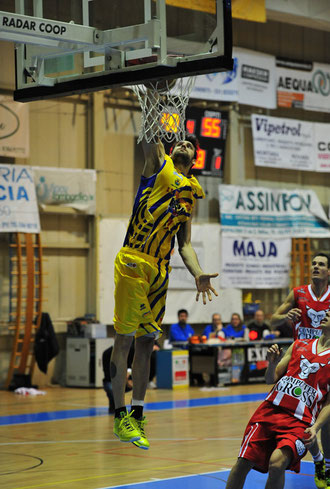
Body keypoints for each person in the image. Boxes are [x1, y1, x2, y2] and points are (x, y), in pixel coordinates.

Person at [110, 134, 218, 450]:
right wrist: (152, 94)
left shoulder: (189, 196)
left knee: (147, 342)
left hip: (160, 268)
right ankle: (120, 416)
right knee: (124, 338)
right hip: (134, 258)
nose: (184, 144)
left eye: (190, 145)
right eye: (180, 142)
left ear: (195, 158)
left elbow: (184, 244)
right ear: (172, 149)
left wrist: (198, 273)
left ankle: (139, 411)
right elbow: (149, 138)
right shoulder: (159, 165)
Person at [225, 310, 330, 489]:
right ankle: (318, 458)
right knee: (243, 463)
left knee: (277, 463)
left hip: (299, 421)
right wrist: (272, 362)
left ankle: (319, 459)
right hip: (270, 411)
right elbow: (269, 379)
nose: (327, 312)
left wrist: (315, 427)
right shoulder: (299, 344)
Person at [271, 252, 330, 488]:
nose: (315, 267)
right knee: (304, 422)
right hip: (300, 363)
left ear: (328, 271)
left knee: (325, 422)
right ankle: (316, 459)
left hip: (324, 363)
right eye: (313, 263)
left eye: (321, 264)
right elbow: (272, 320)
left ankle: (325, 466)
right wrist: (285, 316)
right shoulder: (298, 293)